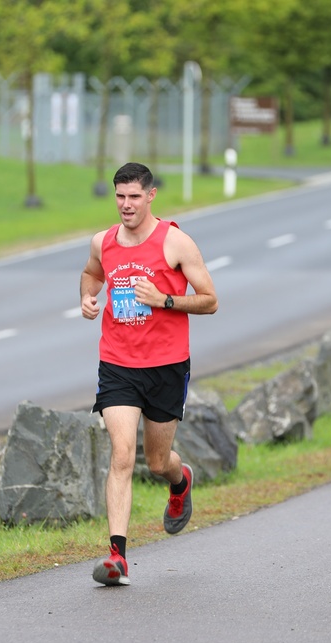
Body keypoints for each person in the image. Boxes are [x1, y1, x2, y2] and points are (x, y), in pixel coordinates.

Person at [79, 162, 218, 586]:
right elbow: (90, 275)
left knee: (157, 461)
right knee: (122, 455)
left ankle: (180, 480)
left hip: (167, 365)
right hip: (118, 364)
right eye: (120, 196)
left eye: (134, 197)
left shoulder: (175, 242)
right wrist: (87, 298)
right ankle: (117, 556)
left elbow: (210, 300)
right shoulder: (103, 242)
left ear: (151, 195)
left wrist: (165, 300)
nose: (126, 205)